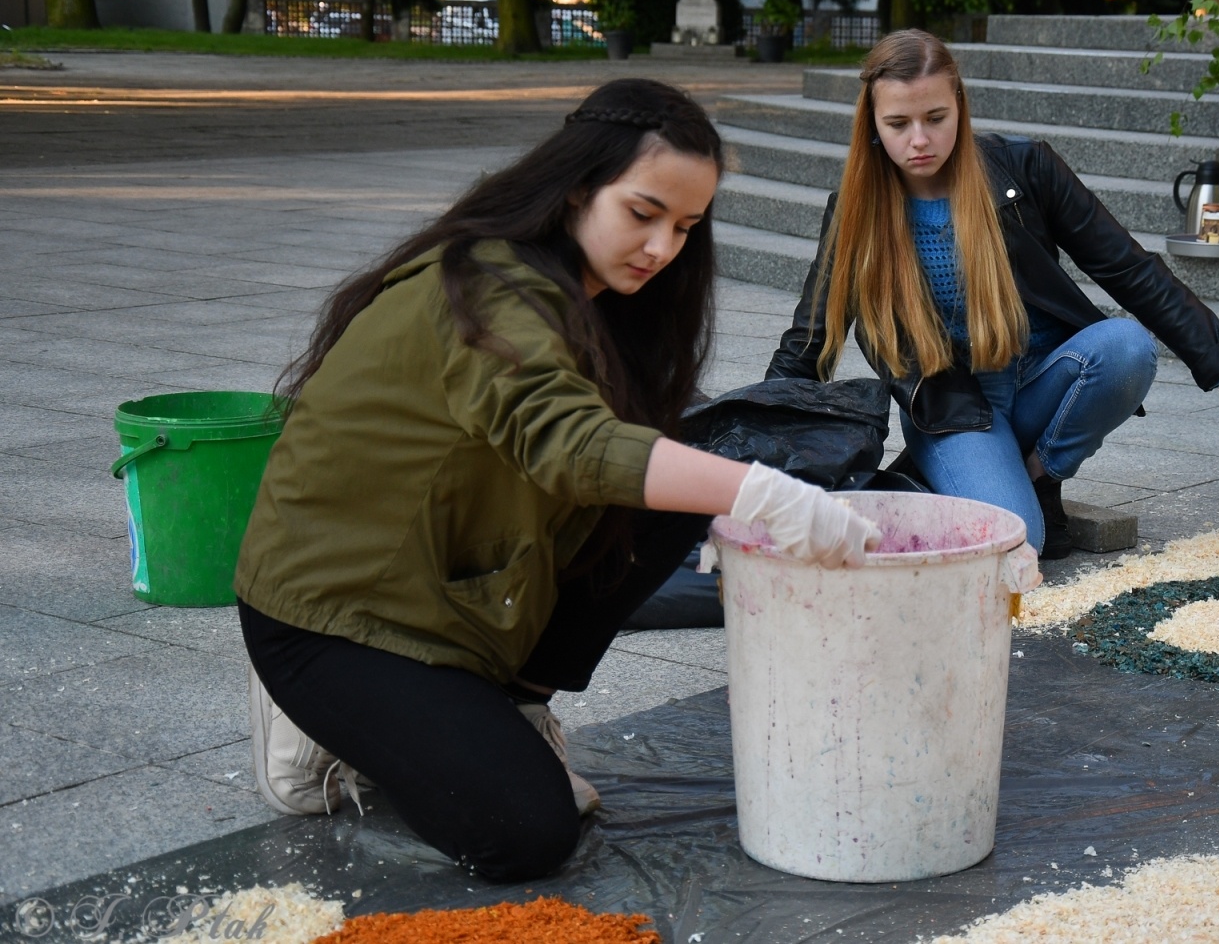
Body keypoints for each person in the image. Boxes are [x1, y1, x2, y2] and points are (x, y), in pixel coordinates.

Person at [235, 78, 880, 883]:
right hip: (334, 614)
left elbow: (604, 453)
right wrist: (763, 493)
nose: (662, 248)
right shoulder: (488, 288)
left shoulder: (595, 292)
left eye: (685, 226)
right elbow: (571, 443)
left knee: (672, 496)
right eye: (642, 213)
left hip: (455, 584)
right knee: (525, 834)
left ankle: (508, 704)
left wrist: (726, 488)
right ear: (578, 187)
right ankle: (316, 724)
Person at [766, 30, 1219, 558]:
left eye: (936, 118)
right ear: (873, 125)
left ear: (960, 105)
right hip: (949, 405)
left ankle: (1037, 474)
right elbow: (812, 334)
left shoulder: (1025, 168)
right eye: (898, 123)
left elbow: (1129, 269)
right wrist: (755, 451)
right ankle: (936, 475)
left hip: (1041, 378)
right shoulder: (857, 208)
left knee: (1126, 346)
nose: (919, 140)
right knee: (1020, 544)